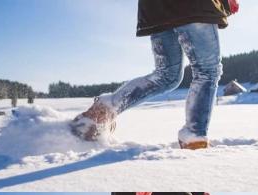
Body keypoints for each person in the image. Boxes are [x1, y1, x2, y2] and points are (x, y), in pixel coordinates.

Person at [70, 0, 240, 150]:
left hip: (157, 10)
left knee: (167, 76)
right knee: (207, 70)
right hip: (194, 6)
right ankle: (194, 135)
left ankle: (101, 112)